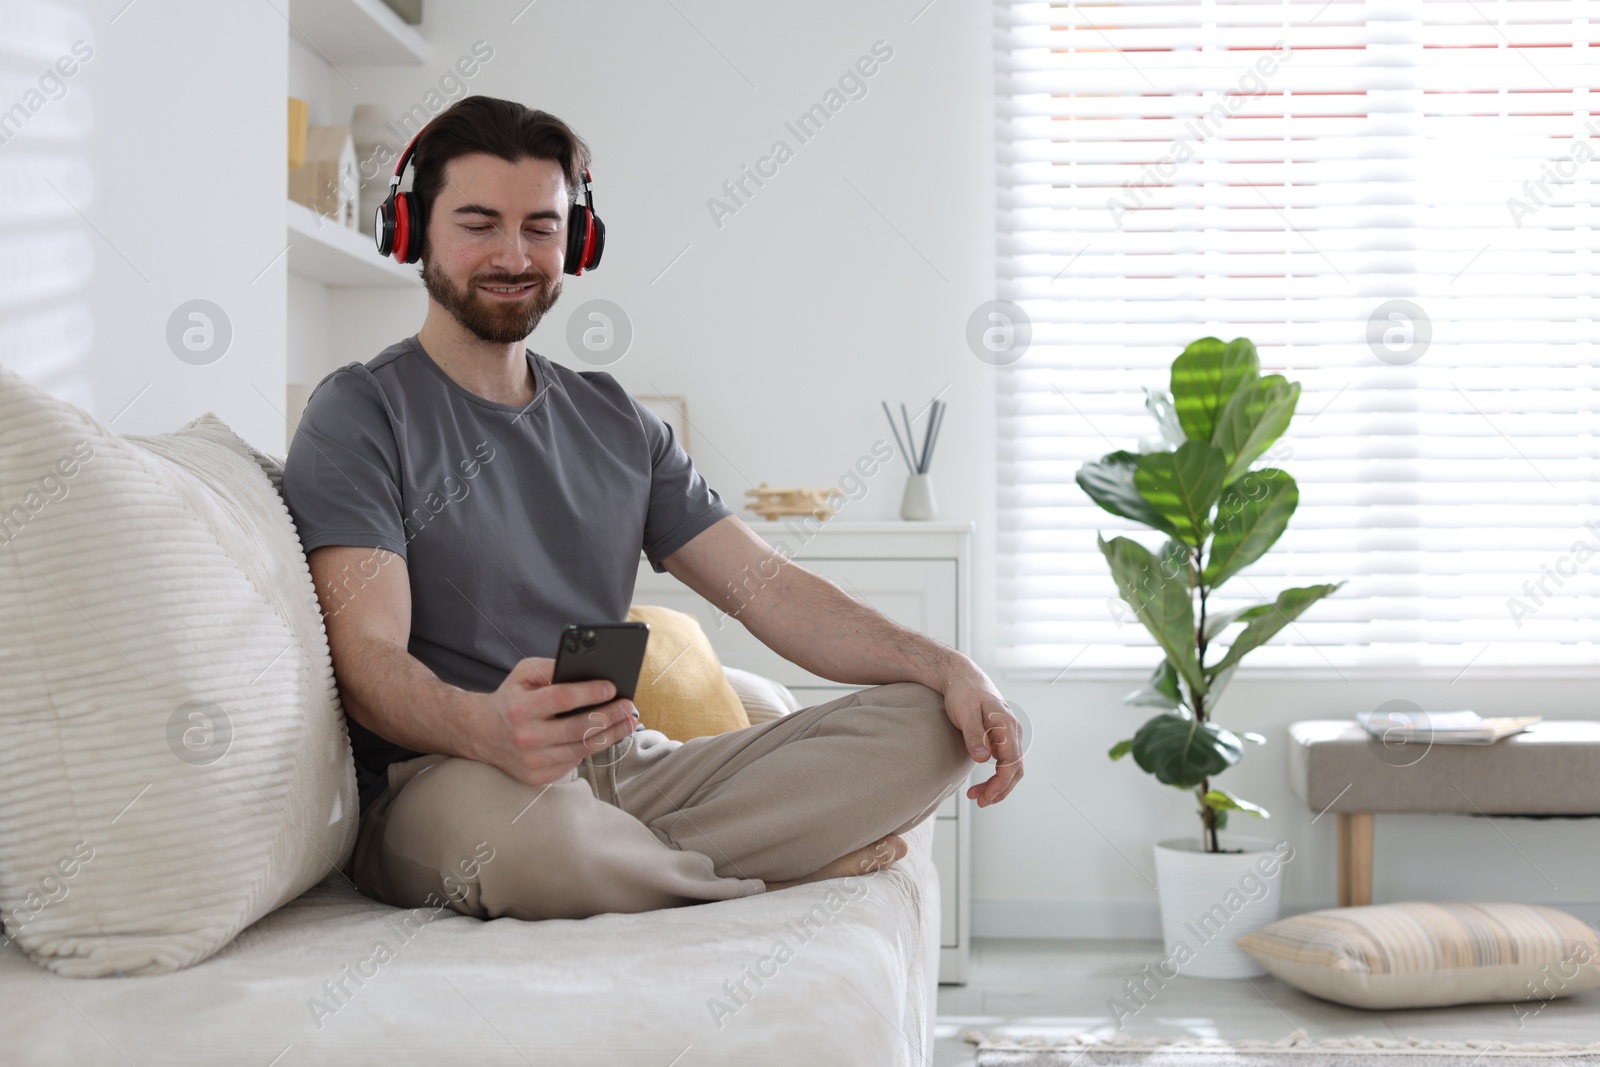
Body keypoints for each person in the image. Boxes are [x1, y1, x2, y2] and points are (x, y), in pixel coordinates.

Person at [279, 95, 1023, 922]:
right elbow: (368, 659)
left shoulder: (617, 421)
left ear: (579, 241)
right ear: (412, 232)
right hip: (447, 779)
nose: (513, 255)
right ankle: (766, 876)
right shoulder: (360, 411)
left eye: (541, 228)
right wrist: (485, 725)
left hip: (622, 768)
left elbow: (765, 586)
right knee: (541, 845)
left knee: (935, 728)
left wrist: (949, 669)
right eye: (479, 223)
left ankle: (648, 861)